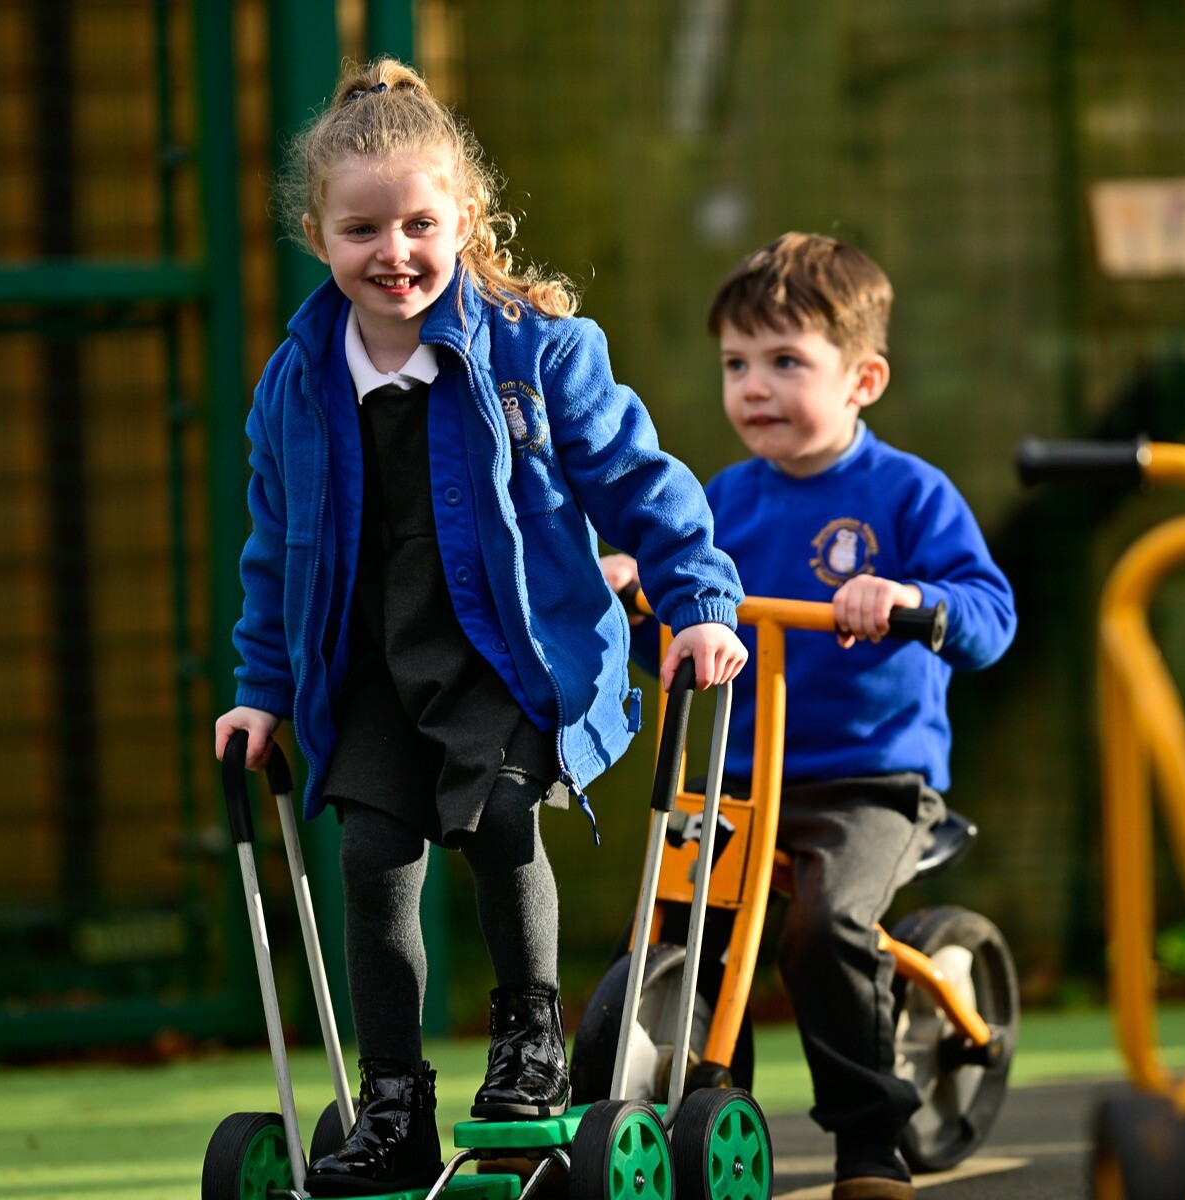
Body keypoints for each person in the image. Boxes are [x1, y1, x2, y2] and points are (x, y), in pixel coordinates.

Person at [214, 59, 748, 1197]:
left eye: (418, 223)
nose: (392, 253)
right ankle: (394, 1100)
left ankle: (530, 1045)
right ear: (317, 237)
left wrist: (698, 600)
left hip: (512, 650)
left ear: (466, 220)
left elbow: (639, 482)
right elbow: (275, 552)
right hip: (370, 662)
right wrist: (260, 688)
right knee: (371, 863)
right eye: (361, 230)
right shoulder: (295, 384)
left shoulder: (538, 350)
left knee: (504, 823)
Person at [602, 232, 1015, 1200]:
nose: (753, 387)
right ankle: (693, 1110)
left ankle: (870, 1144)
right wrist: (631, 576)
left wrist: (912, 599)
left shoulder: (909, 495)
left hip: (868, 776)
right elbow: (678, 572)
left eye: (785, 362)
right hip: (741, 774)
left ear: (862, 378)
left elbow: (988, 618)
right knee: (674, 928)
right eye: (735, 365)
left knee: (822, 928)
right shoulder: (719, 501)